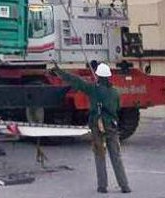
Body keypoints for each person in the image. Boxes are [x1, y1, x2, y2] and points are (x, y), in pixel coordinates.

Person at [51, 62, 131, 194]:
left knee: (100, 155)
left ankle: (102, 186)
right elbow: (117, 107)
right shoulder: (115, 92)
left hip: (97, 126)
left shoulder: (93, 89)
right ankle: (124, 186)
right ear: (109, 77)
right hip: (112, 126)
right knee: (116, 156)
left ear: (98, 76)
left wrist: (60, 72)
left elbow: (77, 81)